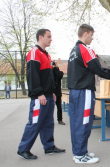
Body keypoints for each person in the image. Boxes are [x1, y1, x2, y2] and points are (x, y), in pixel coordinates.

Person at [67, 24, 110, 164]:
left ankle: (79, 152)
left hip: (74, 91)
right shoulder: (86, 49)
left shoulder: (73, 51)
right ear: (85, 34)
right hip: (84, 91)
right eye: (91, 35)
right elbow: (100, 70)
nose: (92, 38)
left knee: (76, 123)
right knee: (84, 122)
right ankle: (80, 155)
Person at [17, 29, 65, 160]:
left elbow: (49, 77)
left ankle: (49, 147)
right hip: (40, 97)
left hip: (49, 95)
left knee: (48, 122)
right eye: (49, 36)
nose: (51, 39)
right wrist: (39, 93)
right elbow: (32, 76)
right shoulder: (34, 53)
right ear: (40, 37)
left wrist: (52, 93)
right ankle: (23, 149)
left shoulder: (46, 55)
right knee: (35, 122)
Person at [52, 60, 65, 125]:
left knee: (59, 107)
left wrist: (56, 67)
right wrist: (51, 67)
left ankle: (60, 120)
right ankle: (50, 121)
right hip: (51, 93)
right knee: (50, 108)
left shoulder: (59, 72)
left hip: (58, 92)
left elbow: (59, 75)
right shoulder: (50, 72)